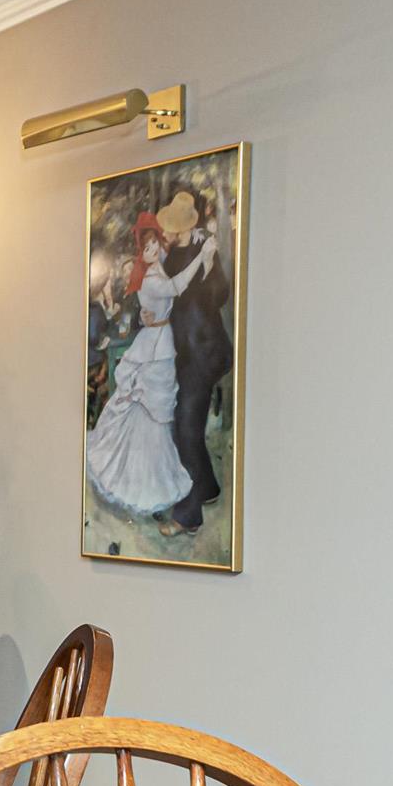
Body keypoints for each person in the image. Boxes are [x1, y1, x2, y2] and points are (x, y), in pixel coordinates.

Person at [85, 206, 222, 521]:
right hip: (154, 347)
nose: (151, 251)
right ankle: (144, 480)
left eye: (154, 244)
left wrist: (201, 247)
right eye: (145, 248)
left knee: (158, 415)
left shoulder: (160, 265)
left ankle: (158, 474)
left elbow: (175, 267)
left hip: (161, 342)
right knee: (150, 414)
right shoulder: (149, 279)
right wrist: (201, 258)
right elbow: (175, 288)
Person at [156, 185, 233, 533]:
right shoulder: (172, 257)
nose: (168, 232)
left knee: (186, 429)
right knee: (185, 425)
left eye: (172, 226)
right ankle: (208, 488)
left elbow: (219, 296)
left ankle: (187, 516)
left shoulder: (206, 249)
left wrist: (208, 264)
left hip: (204, 352)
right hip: (183, 353)